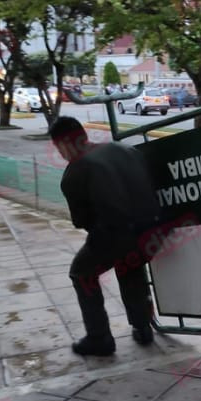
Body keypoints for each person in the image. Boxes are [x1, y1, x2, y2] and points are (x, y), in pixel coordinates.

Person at [49, 116, 160, 356]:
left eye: (59, 149)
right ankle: (143, 327)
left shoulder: (75, 172)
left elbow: (82, 222)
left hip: (118, 236)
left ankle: (99, 338)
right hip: (152, 231)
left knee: (81, 273)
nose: (61, 154)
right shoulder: (123, 149)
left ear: (64, 145)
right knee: (130, 264)